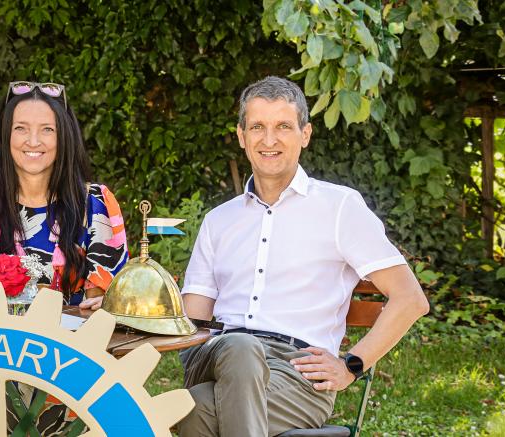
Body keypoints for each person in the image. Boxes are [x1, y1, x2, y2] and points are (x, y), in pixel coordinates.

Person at [177, 76, 430, 436]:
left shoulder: (339, 206)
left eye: (283, 126)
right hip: (217, 358)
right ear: (241, 136)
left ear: (305, 134)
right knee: (239, 346)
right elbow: (193, 319)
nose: (269, 140)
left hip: (298, 375)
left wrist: (352, 364)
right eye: (257, 127)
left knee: (193, 409)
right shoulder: (219, 220)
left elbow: (410, 299)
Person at [0, 81, 129, 311]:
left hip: (72, 344)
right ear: (5, 136)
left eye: (47, 129)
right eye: (21, 128)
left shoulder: (95, 204)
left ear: (65, 136)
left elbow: (99, 307)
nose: (33, 141)